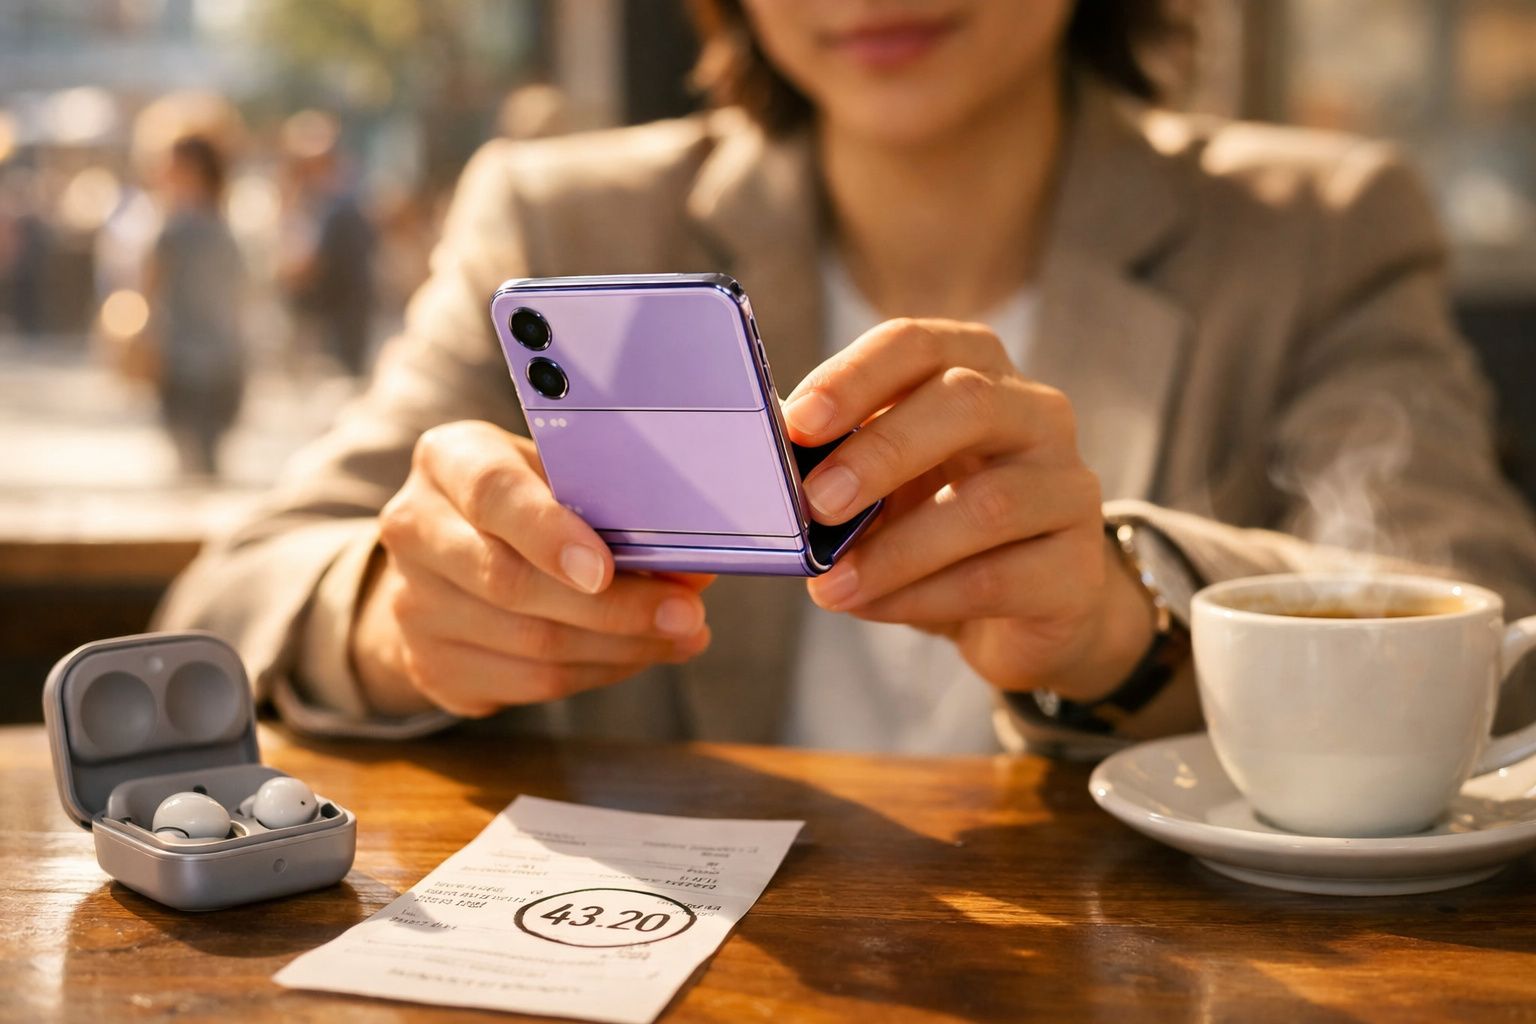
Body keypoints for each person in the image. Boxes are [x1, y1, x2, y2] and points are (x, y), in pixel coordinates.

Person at [159, 0, 1536, 753]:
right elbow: (229, 597)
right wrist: (402, 627)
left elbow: (1503, 651)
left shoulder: (1319, 231)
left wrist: (1129, 628)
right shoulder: (558, 219)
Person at [145, 135, 246, 478]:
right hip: (222, 356)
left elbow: (149, 287)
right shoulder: (228, 225)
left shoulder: (174, 228)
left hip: (185, 358)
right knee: (206, 460)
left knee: (191, 461)